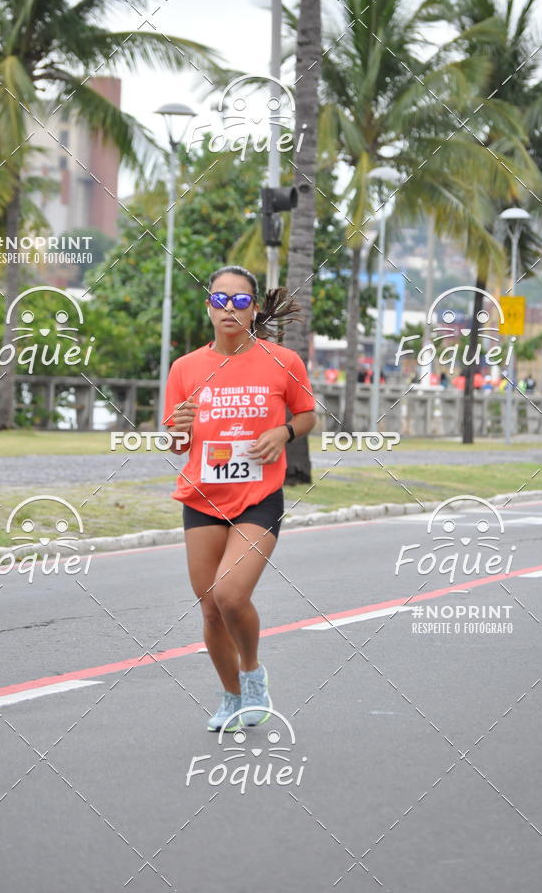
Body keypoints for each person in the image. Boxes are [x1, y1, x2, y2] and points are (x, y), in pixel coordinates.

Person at [162, 265, 317, 733]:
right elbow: (175, 441)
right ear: (208, 306)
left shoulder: (283, 361)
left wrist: (284, 431)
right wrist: (177, 431)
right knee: (209, 605)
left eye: (241, 300)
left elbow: (308, 414)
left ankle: (253, 676)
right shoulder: (185, 368)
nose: (229, 308)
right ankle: (230, 697)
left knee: (231, 594)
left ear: (254, 309)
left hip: (258, 497)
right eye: (220, 299)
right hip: (202, 495)